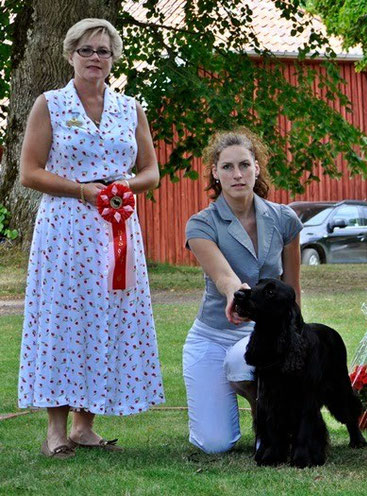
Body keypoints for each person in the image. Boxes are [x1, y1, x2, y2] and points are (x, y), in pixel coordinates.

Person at [17, 18, 164, 459]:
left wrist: (122, 190)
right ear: (70, 55)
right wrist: (84, 191)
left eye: (103, 51)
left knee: (105, 316)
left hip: (116, 226)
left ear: (113, 59)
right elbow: (29, 172)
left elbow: (151, 172)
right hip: (65, 227)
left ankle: (85, 426)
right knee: (63, 320)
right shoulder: (51, 104)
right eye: (86, 50)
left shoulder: (129, 108)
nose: (95, 58)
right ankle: (56, 430)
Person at [182, 129, 302, 454]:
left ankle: (270, 419)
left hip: (263, 334)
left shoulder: (284, 219)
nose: (237, 175)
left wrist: (297, 339)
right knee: (215, 444)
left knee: (242, 361)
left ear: (257, 168)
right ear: (215, 173)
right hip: (211, 336)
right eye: (228, 167)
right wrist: (237, 295)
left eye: (245, 165)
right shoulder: (201, 224)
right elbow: (223, 277)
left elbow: (292, 290)